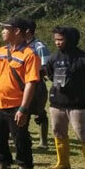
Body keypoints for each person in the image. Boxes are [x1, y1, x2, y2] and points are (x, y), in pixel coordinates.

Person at [0, 18, 41, 169]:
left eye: (5, 29)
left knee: (20, 140)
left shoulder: (30, 55)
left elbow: (31, 82)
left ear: (17, 31)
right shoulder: (0, 51)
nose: (2, 31)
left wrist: (23, 108)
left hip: (16, 105)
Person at [44, 26, 85, 169]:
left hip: (78, 105)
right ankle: (63, 162)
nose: (57, 43)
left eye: (61, 39)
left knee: (82, 135)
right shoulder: (53, 58)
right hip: (57, 104)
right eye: (56, 39)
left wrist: (83, 88)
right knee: (58, 132)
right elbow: (49, 73)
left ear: (71, 40)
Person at [25, 20, 50, 148]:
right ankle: (25, 137)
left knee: (39, 112)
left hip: (36, 83)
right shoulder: (20, 45)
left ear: (28, 30)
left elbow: (46, 67)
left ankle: (43, 141)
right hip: (21, 84)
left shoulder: (39, 46)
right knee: (24, 111)